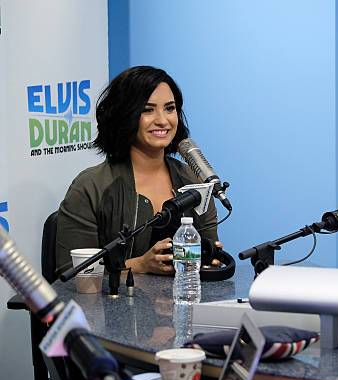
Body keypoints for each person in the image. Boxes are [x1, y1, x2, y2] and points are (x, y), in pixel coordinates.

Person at [56, 66, 220, 276]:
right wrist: (139, 266)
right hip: (111, 308)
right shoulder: (90, 185)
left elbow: (207, 261)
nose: (162, 120)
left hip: (184, 302)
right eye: (147, 110)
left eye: (170, 108)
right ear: (124, 116)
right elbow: (70, 273)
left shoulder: (192, 180)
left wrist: (210, 257)